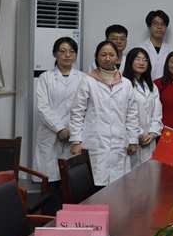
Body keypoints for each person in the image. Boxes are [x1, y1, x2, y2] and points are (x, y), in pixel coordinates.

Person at [69, 41, 140, 186]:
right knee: (96, 186)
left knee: (118, 187)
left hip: (119, 143)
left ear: (117, 57)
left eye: (112, 55)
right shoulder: (88, 82)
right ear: (96, 57)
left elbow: (132, 115)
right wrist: (76, 141)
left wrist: (133, 140)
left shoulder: (126, 84)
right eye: (103, 55)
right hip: (95, 143)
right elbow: (77, 113)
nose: (108, 58)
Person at [34, 37, 85, 213]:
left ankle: (73, 220)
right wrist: (60, 128)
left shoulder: (83, 78)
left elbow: (85, 107)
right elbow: (43, 107)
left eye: (71, 51)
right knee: (52, 182)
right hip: (51, 134)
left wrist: (72, 130)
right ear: (54, 54)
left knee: (73, 181)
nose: (67, 55)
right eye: (62, 51)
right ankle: (53, 220)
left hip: (75, 134)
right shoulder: (46, 78)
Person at [123, 47, 163, 169]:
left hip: (149, 139)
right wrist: (139, 135)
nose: (141, 63)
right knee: (131, 175)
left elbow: (157, 113)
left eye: (145, 60)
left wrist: (153, 133)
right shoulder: (124, 84)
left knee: (150, 175)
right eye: (137, 59)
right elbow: (124, 114)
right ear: (130, 61)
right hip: (130, 139)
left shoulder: (151, 86)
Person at [139, 10, 173, 81]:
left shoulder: (172, 51)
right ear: (148, 26)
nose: (159, 27)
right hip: (145, 86)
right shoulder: (140, 49)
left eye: (163, 24)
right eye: (155, 24)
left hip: (166, 86)